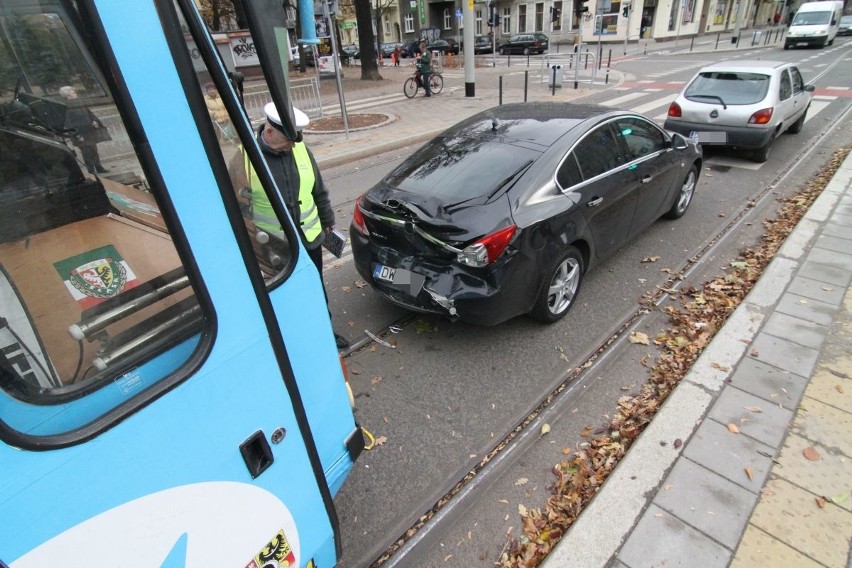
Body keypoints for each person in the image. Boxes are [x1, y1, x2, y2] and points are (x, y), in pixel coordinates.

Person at [231, 103, 349, 350]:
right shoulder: (243, 159)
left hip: (309, 239)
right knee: (284, 294)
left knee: (315, 288)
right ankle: (294, 340)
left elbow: (318, 190)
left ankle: (324, 332)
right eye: (288, 139)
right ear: (270, 131)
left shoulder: (301, 150)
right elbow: (237, 208)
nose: (293, 145)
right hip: (274, 246)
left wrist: (328, 223)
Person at [59, 85, 110, 174]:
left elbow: (89, 113)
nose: (75, 93)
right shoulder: (66, 106)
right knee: (87, 152)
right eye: (72, 91)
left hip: (89, 131)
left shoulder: (78, 102)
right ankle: (91, 171)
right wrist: (77, 136)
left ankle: (99, 168)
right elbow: (69, 124)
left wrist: (94, 121)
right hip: (80, 134)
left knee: (94, 150)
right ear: (67, 95)